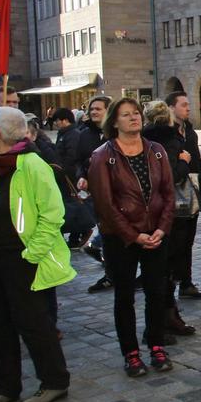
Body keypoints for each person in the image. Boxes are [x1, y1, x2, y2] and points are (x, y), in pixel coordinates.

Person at [0, 107, 73, 402]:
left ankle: (54, 379)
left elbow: (52, 214)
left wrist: (31, 253)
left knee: (33, 322)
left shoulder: (32, 164)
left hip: (23, 257)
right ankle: (5, 385)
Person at [88, 98, 176, 378]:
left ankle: (156, 344)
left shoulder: (156, 151)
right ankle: (131, 352)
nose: (133, 118)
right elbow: (105, 204)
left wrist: (162, 227)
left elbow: (168, 194)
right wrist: (134, 235)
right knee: (124, 295)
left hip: (155, 233)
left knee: (156, 292)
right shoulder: (103, 155)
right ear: (114, 121)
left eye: (136, 113)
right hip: (122, 237)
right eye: (126, 115)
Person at [141, 101, 199, 338]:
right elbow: (173, 176)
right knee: (167, 268)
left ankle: (165, 318)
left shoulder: (142, 141)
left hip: (150, 212)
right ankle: (164, 321)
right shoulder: (170, 141)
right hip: (173, 212)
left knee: (159, 270)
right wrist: (184, 161)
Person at [165, 92, 201, 300]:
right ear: (171, 108)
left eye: (188, 104)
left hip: (192, 188)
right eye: (183, 105)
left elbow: (197, 159)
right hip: (175, 192)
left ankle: (186, 282)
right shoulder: (166, 133)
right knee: (177, 240)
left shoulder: (189, 130)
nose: (188, 108)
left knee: (188, 240)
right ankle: (173, 281)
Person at [75, 95, 113, 291]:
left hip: (116, 189)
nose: (94, 112)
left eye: (99, 109)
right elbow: (80, 161)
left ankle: (114, 270)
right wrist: (81, 176)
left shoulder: (115, 132)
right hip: (96, 190)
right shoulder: (84, 134)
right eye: (92, 109)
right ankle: (110, 272)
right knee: (105, 228)